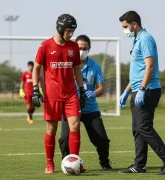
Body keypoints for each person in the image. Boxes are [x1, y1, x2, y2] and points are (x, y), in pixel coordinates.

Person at [117, 11, 165, 175]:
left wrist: (143, 90)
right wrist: (126, 91)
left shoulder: (145, 39)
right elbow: (138, 72)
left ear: (134, 24)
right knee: (137, 129)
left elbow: (150, 66)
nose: (124, 30)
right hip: (138, 89)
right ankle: (139, 165)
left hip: (148, 90)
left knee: (144, 127)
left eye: (125, 27)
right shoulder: (137, 40)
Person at [31, 14, 86, 174]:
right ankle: (50, 164)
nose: (71, 34)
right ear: (60, 29)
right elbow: (36, 68)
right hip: (52, 95)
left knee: (75, 126)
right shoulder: (45, 46)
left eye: (72, 31)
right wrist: (36, 89)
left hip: (70, 95)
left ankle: (75, 161)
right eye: (68, 31)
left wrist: (81, 89)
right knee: (51, 129)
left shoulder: (74, 47)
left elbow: (76, 69)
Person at [58, 35, 113, 171]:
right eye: (79, 48)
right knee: (65, 140)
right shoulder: (67, 65)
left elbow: (101, 88)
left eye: (85, 48)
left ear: (89, 49)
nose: (82, 51)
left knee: (102, 140)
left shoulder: (95, 66)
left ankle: (105, 163)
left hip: (90, 109)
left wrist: (93, 93)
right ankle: (67, 163)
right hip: (71, 108)